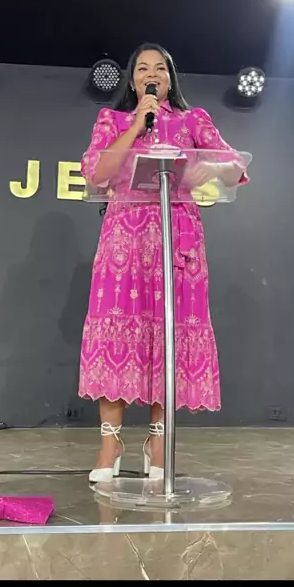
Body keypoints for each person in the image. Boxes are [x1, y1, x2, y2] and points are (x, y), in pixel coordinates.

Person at [79, 43, 248, 483]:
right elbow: (96, 172)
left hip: (178, 240)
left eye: (160, 69)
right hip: (125, 242)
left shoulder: (194, 120)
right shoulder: (112, 120)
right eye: (142, 69)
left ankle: (158, 440)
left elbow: (234, 165)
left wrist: (208, 168)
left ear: (170, 79)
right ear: (133, 80)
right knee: (117, 332)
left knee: (168, 333)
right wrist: (138, 123)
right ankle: (110, 443)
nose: (151, 75)